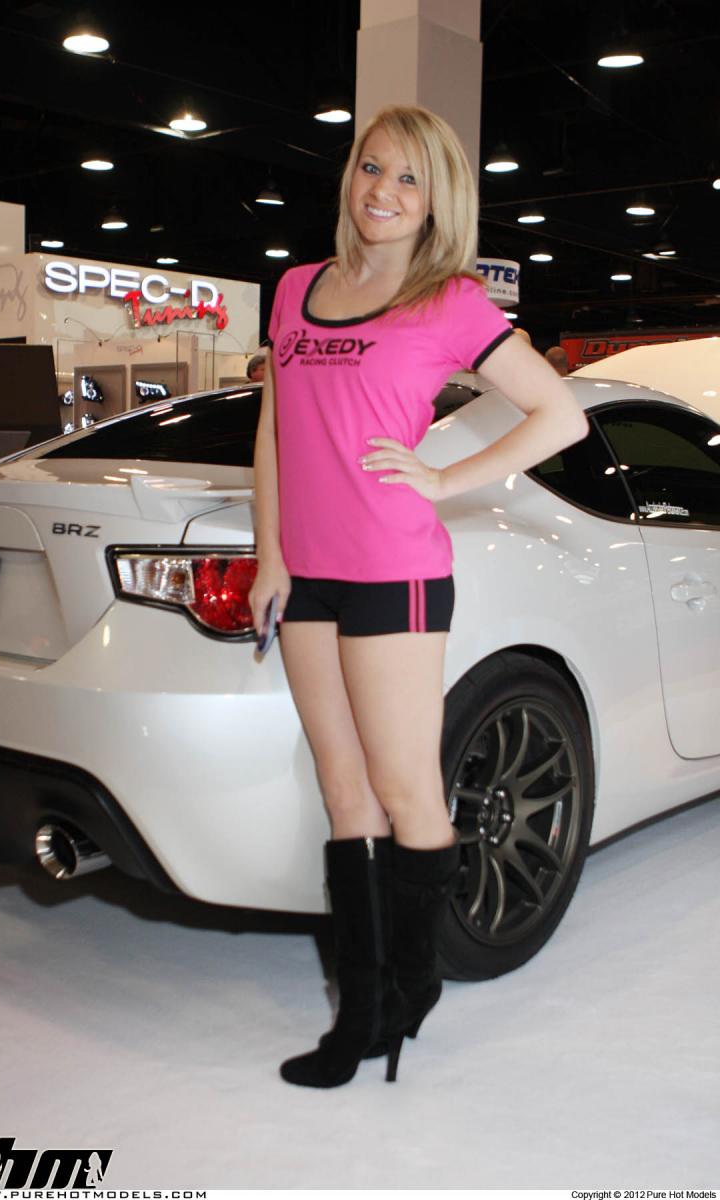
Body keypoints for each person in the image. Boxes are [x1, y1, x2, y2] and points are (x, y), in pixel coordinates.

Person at [249, 104, 588, 1089]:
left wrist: (443, 478)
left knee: (405, 792)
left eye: (408, 178)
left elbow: (558, 413)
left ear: (436, 200)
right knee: (341, 790)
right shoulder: (297, 288)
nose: (383, 192)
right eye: (371, 167)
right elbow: (273, 428)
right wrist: (270, 555)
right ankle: (357, 1010)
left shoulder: (449, 302)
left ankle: (413, 983)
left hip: (393, 570)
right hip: (306, 572)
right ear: (349, 175)